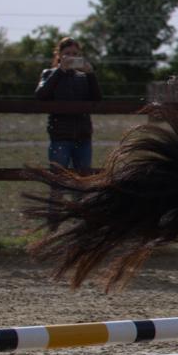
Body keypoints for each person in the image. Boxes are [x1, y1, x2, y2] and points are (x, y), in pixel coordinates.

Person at [35, 37, 102, 223]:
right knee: (57, 184)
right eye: (67, 54)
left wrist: (91, 74)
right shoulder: (49, 74)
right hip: (60, 137)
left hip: (83, 137)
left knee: (82, 185)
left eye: (75, 54)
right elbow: (41, 95)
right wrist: (60, 71)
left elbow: (97, 98)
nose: (71, 57)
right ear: (59, 55)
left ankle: (81, 226)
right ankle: (53, 225)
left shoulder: (83, 77)